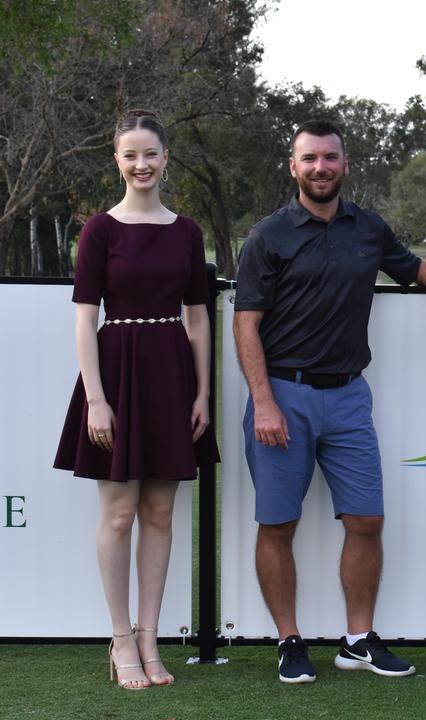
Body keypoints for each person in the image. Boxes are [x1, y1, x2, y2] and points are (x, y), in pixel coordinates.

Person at [233, 120, 426, 684]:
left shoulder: (367, 228)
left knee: (367, 520)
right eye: (309, 159)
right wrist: (265, 401)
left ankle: (357, 640)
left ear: (345, 165)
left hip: (349, 397)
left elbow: (410, 267)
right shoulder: (268, 236)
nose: (320, 168)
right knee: (278, 523)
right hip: (283, 394)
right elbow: (245, 324)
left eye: (330, 158)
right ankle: (289, 641)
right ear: (293, 167)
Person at [54, 110, 220, 690]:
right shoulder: (100, 230)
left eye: (150, 153)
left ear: (166, 158)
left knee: (159, 513)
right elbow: (84, 319)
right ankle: (120, 639)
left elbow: (198, 318)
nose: (141, 164)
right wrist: (96, 400)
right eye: (130, 155)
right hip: (116, 376)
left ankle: (151, 640)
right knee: (119, 513)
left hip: (172, 376)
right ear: (117, 161)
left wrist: (202, 392)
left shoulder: (188, 231)